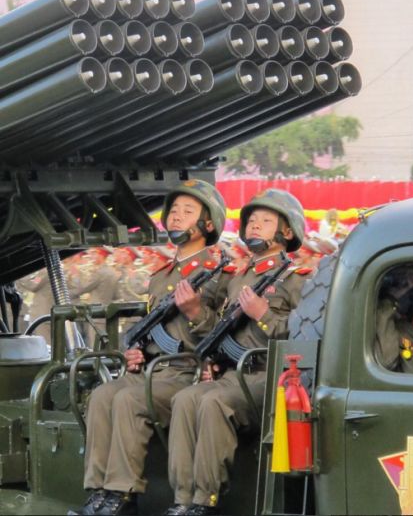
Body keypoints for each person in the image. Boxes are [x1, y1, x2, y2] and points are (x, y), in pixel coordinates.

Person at [73, 180, 229, 516]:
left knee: (130, 399)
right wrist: (138, 352)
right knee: (102, 395)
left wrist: (195, 312)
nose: (176, 217)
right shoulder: (162, 275)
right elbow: (154, 329)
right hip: (154, 370)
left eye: (188, 212)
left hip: (188, 372)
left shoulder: (217, 274)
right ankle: (98, 490)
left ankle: (122, 493)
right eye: (173, 211)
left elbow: (223, 332)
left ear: (208, 224)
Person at [165, 189, 311, 516]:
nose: (255, 226)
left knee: (215, 403)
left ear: (287, 232)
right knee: (186, 399)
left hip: (270, 377)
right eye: (252, 221)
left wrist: (264, 315)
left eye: (266, 221)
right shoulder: (237, 279)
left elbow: (302, 335)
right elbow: (219, 328)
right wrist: (210, 353)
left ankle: (205, 500)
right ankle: (183, 498)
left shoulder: (296, 280)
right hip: (232, 373)